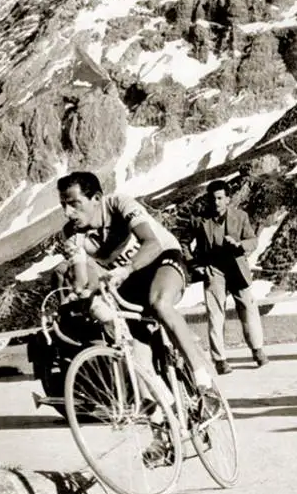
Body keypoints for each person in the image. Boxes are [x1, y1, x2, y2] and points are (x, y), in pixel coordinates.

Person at [51, 171, 222, 428]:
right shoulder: (73, 234)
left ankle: (204, 385)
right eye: (63, 204)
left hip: (162, 260)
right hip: (128, 281)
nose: (68, 212)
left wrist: (126, 269)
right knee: (133, 352)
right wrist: (78, 288)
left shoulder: (119, 204)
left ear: (96, 198)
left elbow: (151, 242)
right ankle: (166, 426)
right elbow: (82, 281)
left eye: (74, 203)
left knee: (160, 303)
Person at [190, 179, 268, 374]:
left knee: (249, 309)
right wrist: (195, 264)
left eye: (219, 198)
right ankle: (220, 361)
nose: (216, 202)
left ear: (227, 199)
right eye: (212, 198)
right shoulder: (201, 221)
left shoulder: (240, 217)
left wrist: (239, 244)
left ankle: (258, 350)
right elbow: (185, 244)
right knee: (215, 315)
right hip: (214, 270)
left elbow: (253, 240)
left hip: (237, 268)